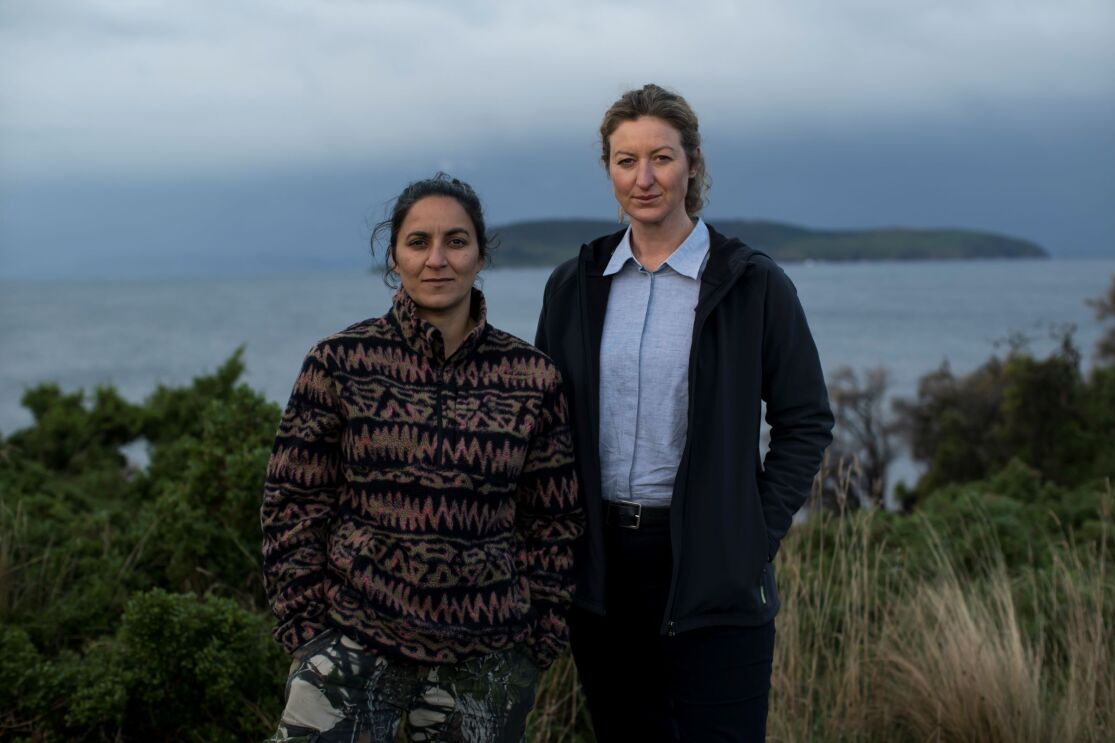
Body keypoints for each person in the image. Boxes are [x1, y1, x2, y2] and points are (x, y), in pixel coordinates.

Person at [534, 84, 834, 742]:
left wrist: (750, 533)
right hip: (603, 571)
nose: (644, 178)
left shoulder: (752, 284)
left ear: (692, 163)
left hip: (712, 565)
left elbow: (805, 418)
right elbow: (544, 427)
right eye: (625, 160)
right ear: (608, 170)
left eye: (661, 158)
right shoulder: (572, 285)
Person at [261, 174, 583, 742]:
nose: (437, 259)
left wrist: (538, 640)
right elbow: (292, 502)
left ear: (481, 254)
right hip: (351, 645)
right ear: (395, 256)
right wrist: (309, 633)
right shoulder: (339, 363)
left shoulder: (533, 378)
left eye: (456, 242)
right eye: (418, 242)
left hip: (487, 661)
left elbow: (555, 522)